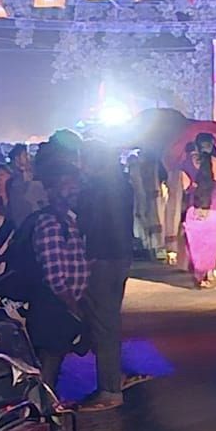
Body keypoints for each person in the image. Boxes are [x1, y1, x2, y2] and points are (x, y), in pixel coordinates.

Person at [6, 145, 89, 394]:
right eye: (67, 184)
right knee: (49, 362)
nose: (74, 189)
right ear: (51, 190)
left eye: (76, 184)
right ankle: (44, 412)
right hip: (54, 306)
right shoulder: (51, 223)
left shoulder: (68, 219)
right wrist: (74, 308)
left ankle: (46, 409)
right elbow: (55, 277)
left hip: (60, 305)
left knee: (55, 358)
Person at [78, 141, 141, 408]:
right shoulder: (122, 184)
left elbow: (89, 223)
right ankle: (113, 378)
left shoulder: (96, 189)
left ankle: (110, 389)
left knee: (104, 324)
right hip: (121, 255)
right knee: (110, 320)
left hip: (102, 258)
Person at [180, 133, 216, 288]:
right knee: (211, 244)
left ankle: (199, 275)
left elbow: (184, 187)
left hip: (194, 208)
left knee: (197, 244)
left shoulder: (187, 163)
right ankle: (209, 274)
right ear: (212, 145)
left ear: (197, 146)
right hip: (215, 208)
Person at [6, 143, 45, 227]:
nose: (29, 158)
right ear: (17, 159)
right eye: (25, 155)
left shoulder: (32, 175)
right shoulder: (13, 179)